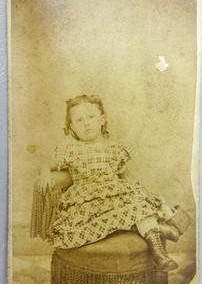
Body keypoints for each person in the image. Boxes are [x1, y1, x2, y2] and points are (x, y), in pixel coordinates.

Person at [35, 94, 191, 271]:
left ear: (102, 119)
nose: (86, 123)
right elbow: (46, 164)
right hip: (87, 200)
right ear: (72, 127)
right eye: (79, 120)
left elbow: (127, 178)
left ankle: (159, 254)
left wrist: (140, 194)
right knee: (91, 222)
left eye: (91, 117)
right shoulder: (71, 150)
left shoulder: (116, 148)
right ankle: (161, 229)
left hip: (115, 193)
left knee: (137, 207)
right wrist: (45, 174)